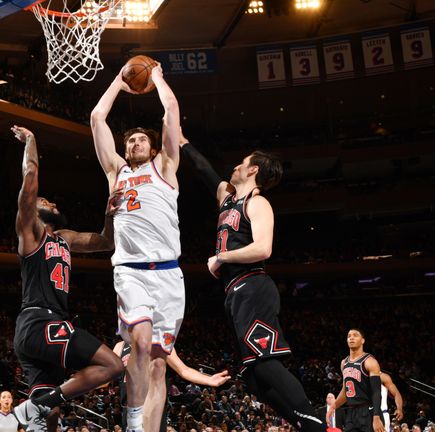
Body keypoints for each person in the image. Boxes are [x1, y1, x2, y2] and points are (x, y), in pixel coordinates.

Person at [177, 138, 324, 432]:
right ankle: (304, 425)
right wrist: (182, 142)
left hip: (253, 285)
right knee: (253, 378)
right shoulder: (228, 199)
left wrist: (221, 257)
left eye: (241, 162)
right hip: (235, 292)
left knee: (265, 362)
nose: (235, 166)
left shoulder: (257, 203)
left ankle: (317, 424)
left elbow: (263, 248)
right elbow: (204, 170)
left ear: (253, 169)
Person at [9, 125, 124, 432]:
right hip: (40, 323)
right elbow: (30, 178)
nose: (53, 202)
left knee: (50, 419)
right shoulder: (31, 234)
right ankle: (41, 402)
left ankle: (41, 404)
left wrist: (109, 214)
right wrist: (32, 141)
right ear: (35, 208)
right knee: (113, 365)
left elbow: (105, 242)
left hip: (41, 327)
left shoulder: (64, 238)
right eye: (46, 201)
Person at [90, 62, 184, 432]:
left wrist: (156, 77)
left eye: (140, 139)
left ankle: (147, 426)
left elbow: (171, 110)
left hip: (169, 274)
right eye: (129, 140)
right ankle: (131, 421)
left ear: (153, 146)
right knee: (140, 344)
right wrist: (119, 82)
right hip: (130, 271)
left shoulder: (166, 166)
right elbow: (98, 118)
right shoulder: (117, 172)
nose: (133, 143)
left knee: (158, 363)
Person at [112, 341, 230, 432]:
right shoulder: (121, 346)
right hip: (129, 410)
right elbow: (105, 377)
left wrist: (209, 379)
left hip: (152, 409)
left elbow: (183, 370)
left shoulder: (160, 343)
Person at [327, 329, 385, 432]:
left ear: (362, 340)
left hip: (368, 411)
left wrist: (376, 417)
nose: (351, 338)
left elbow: (376, 391)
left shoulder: (370, 361)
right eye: (349, 336)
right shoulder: (344, 363)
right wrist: (333, 406)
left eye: (355, 335)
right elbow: (346, 391)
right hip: (351, 412)